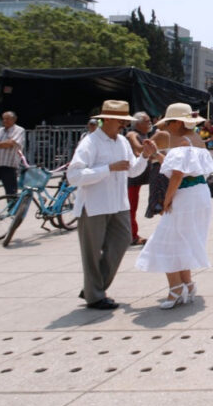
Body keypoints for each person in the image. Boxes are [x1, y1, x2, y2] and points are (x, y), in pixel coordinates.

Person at [67, 100, 157, 310]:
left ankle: (93, 287)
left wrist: (144, 155)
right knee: (92, 251)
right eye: (119, 120)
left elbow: (132, 170)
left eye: (124, 121)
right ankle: (95, 294)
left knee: (122, 240)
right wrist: (108, 168)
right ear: (106, 119)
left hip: (118, 203)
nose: (123, 125)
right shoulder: (90, 143)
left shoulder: (122, 142)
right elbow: (74, 175)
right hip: (94, 204)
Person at [135, 103, 213, 308]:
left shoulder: (181, 141)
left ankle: (176, 288)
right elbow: (182, 169)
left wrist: (167, 200)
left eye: (168, 123)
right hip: (198, 193)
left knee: (165, 241)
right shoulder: (196, 140)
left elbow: (177, 175)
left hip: (186, 195)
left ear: (178, 123)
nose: (165, 128)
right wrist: (156, 154)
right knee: (181, 240)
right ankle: (186, 284)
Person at [126, 111, 154, 246]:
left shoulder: (143, 134)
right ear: (137, 123)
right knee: (130, 208)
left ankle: (131, 234)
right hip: (131, 178)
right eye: (147, 121)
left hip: (137, 179)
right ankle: (132, 236)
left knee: (132, 207)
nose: (150, 124)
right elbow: (138, 150)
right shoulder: (133, 134)